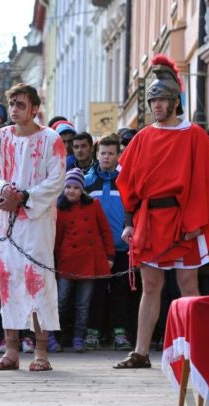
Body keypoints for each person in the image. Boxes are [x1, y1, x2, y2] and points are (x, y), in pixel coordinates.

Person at [114, 55, 209, 369]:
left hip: (184, 220)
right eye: (152, 100)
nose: (156, 105)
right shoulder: (142, 137)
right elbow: (129, 186)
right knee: (151, 287)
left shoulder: (194, 135)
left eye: (162, 99)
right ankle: (140, 352)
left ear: (175, 101)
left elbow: (205, 183)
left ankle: (198, 349)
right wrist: (129, 223)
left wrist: (196, 222)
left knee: (188, 285)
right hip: (150, 221)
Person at [0, 83, 66, 372]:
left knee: (38, 279)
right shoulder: (1, 136)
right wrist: (5, 190)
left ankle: (41, 352)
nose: (14, 110)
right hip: (8, 220)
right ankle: (11, 351)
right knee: (9, 280)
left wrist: (26, 197)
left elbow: (57, 179)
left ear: (34, 108)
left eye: (20, 104)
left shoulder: (51, 138)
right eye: (12, 104)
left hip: (37, 221)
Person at [50, 168, 114, 353]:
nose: (71, 191)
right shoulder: (59, 208)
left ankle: (79, 337)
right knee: (61, 301)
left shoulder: (93, 205)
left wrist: (109, 256)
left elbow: (105, 231)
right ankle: (52, 335)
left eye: (76, 187)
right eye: (68, 187)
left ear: (82, 189)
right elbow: (56, 238)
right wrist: (55, 260)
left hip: (88, 261)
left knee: (83, 304)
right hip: (67, 261)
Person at [84, 134, 135, 351]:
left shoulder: (126, 181)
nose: (106, 157)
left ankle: (120, 332)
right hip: (95, 250)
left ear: (118, 155)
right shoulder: (86, 181)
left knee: (120, 292)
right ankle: (92, 332)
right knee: (95, 292)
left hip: (122, 247)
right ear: (96, 154)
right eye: (103, 153)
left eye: (111, 153)